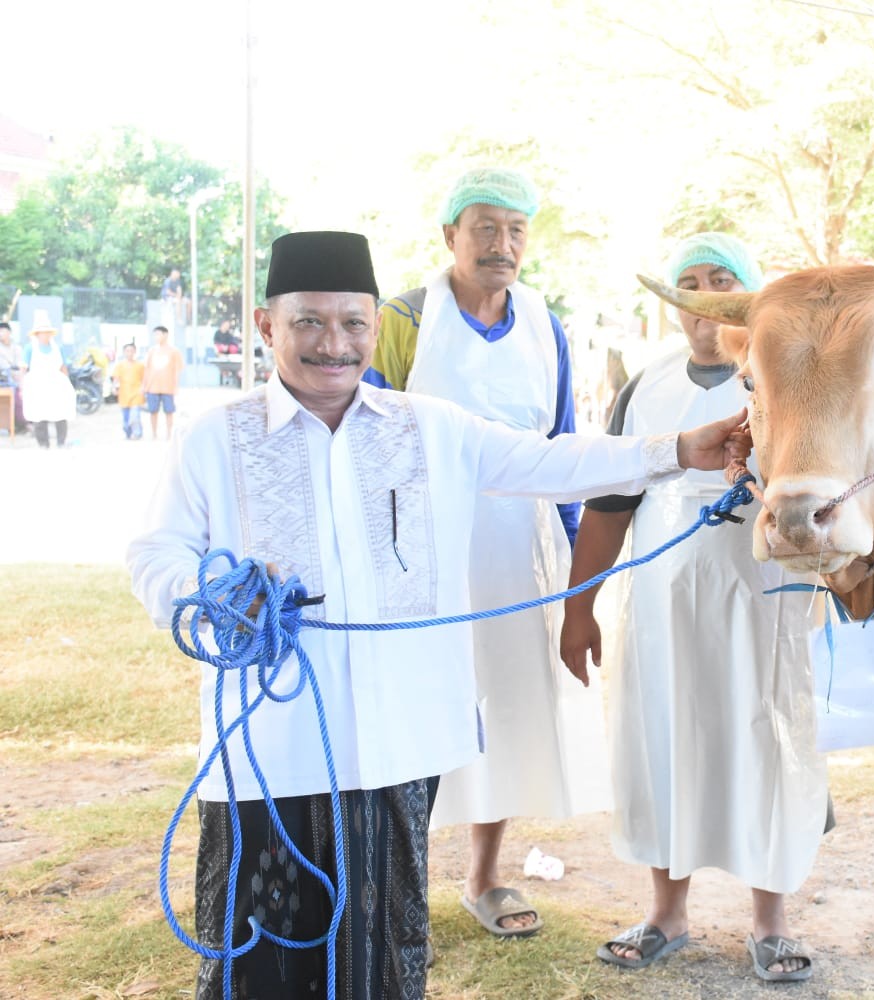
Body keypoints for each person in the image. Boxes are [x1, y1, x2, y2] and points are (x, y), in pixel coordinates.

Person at [126, 230, 748, 1000]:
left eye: (354, 324)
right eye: (309, 323)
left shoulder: (427, 427)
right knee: (262, 956)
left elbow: (556, 461)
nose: (335, 344)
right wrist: (218, 595)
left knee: (382, 956)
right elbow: (155, 557)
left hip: (397, 743)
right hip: (270, 749)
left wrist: (682, 448)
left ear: (373, 327)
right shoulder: (213, 439)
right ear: (265, 326)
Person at [561, 233, 827, 982]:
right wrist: (579, 608)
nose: (705, 295)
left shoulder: (790, 377)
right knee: (662, 737)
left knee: (766, 742)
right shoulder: (643, 388)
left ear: (751, 296)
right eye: (690, 282)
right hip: (662, 603)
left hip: (765, 596)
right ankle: (665, 914)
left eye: (722, 279)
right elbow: (611, 505)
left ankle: (770, 925)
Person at [365, 167, 599, 939]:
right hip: (420, 548)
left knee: (501, 703)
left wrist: (573, 577)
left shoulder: (544, 322)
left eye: (517, 230)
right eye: (485, 228)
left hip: (516, 548)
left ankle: (484, 877)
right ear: (449, 236)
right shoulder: (402, 317)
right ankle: (392, 881)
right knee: (414, 702)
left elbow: (563, 450)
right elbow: (364, 437)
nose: (502, 244)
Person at [19, 311, 73, 448]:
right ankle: (43, 444)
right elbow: (23, 369)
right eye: (42, 332)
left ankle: (61, 442)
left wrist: (68, 385)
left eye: (47, 332)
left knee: (60, 413)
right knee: (39, 414)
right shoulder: (29, 348)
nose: (45, 334)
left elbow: (63, 367)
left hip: (56, 384)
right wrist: (22, 387)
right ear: (37, 334)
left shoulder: (57, 348)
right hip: (37, 385)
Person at [143, 325, 184, 440]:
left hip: (168, 387)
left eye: (158, 334)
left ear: (165, 335)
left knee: (169, 411)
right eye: (155, 334)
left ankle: (169, 433)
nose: (156, 337)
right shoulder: (152, 351)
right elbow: (146, 368)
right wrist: (144, 385)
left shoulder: (174, 351)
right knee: (153, 411)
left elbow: (177, 370)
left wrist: (176, 386)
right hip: (153, 387)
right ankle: (154, 433)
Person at [112, 342, 146, 440]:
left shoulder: (140, 365)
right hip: (124, 394)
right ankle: (128, 433)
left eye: (131, 351)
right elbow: (116, 379)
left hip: (136, 394)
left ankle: (137, 433)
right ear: (124, 352)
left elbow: (144, 379)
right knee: (126, 419)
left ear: (135, 352)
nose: (129, 353)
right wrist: (114, 388)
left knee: (135, 416)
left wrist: (143, 389)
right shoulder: (120, 366)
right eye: (127, 351)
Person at [0, 321, 27, 431]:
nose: (1, 333)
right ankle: (17, 424)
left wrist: (22, 379)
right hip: (4, 379)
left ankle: (25, 422)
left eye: (3, 331)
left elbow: (22, 365)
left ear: (9, 332)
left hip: (18, 377)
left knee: (25, 392)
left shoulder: (17, 348)